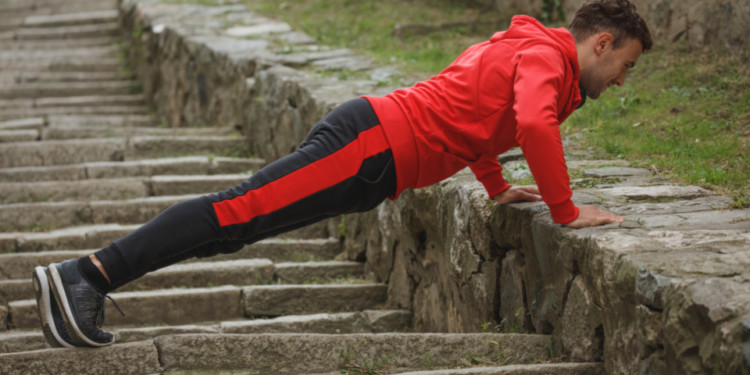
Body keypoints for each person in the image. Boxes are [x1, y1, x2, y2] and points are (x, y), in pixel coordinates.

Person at [32, 0, 652, 348]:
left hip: (372, 151)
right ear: (601, 43)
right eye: (624, 65)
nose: (622, 81)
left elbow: (477, 117)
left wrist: (494, 185)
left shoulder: (530, 51)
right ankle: (85, 276)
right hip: (369, 144)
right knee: (236, 211)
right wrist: (565, 212)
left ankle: (86, 282)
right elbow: (534, 125)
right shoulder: (544, 55)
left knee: (237, 225)